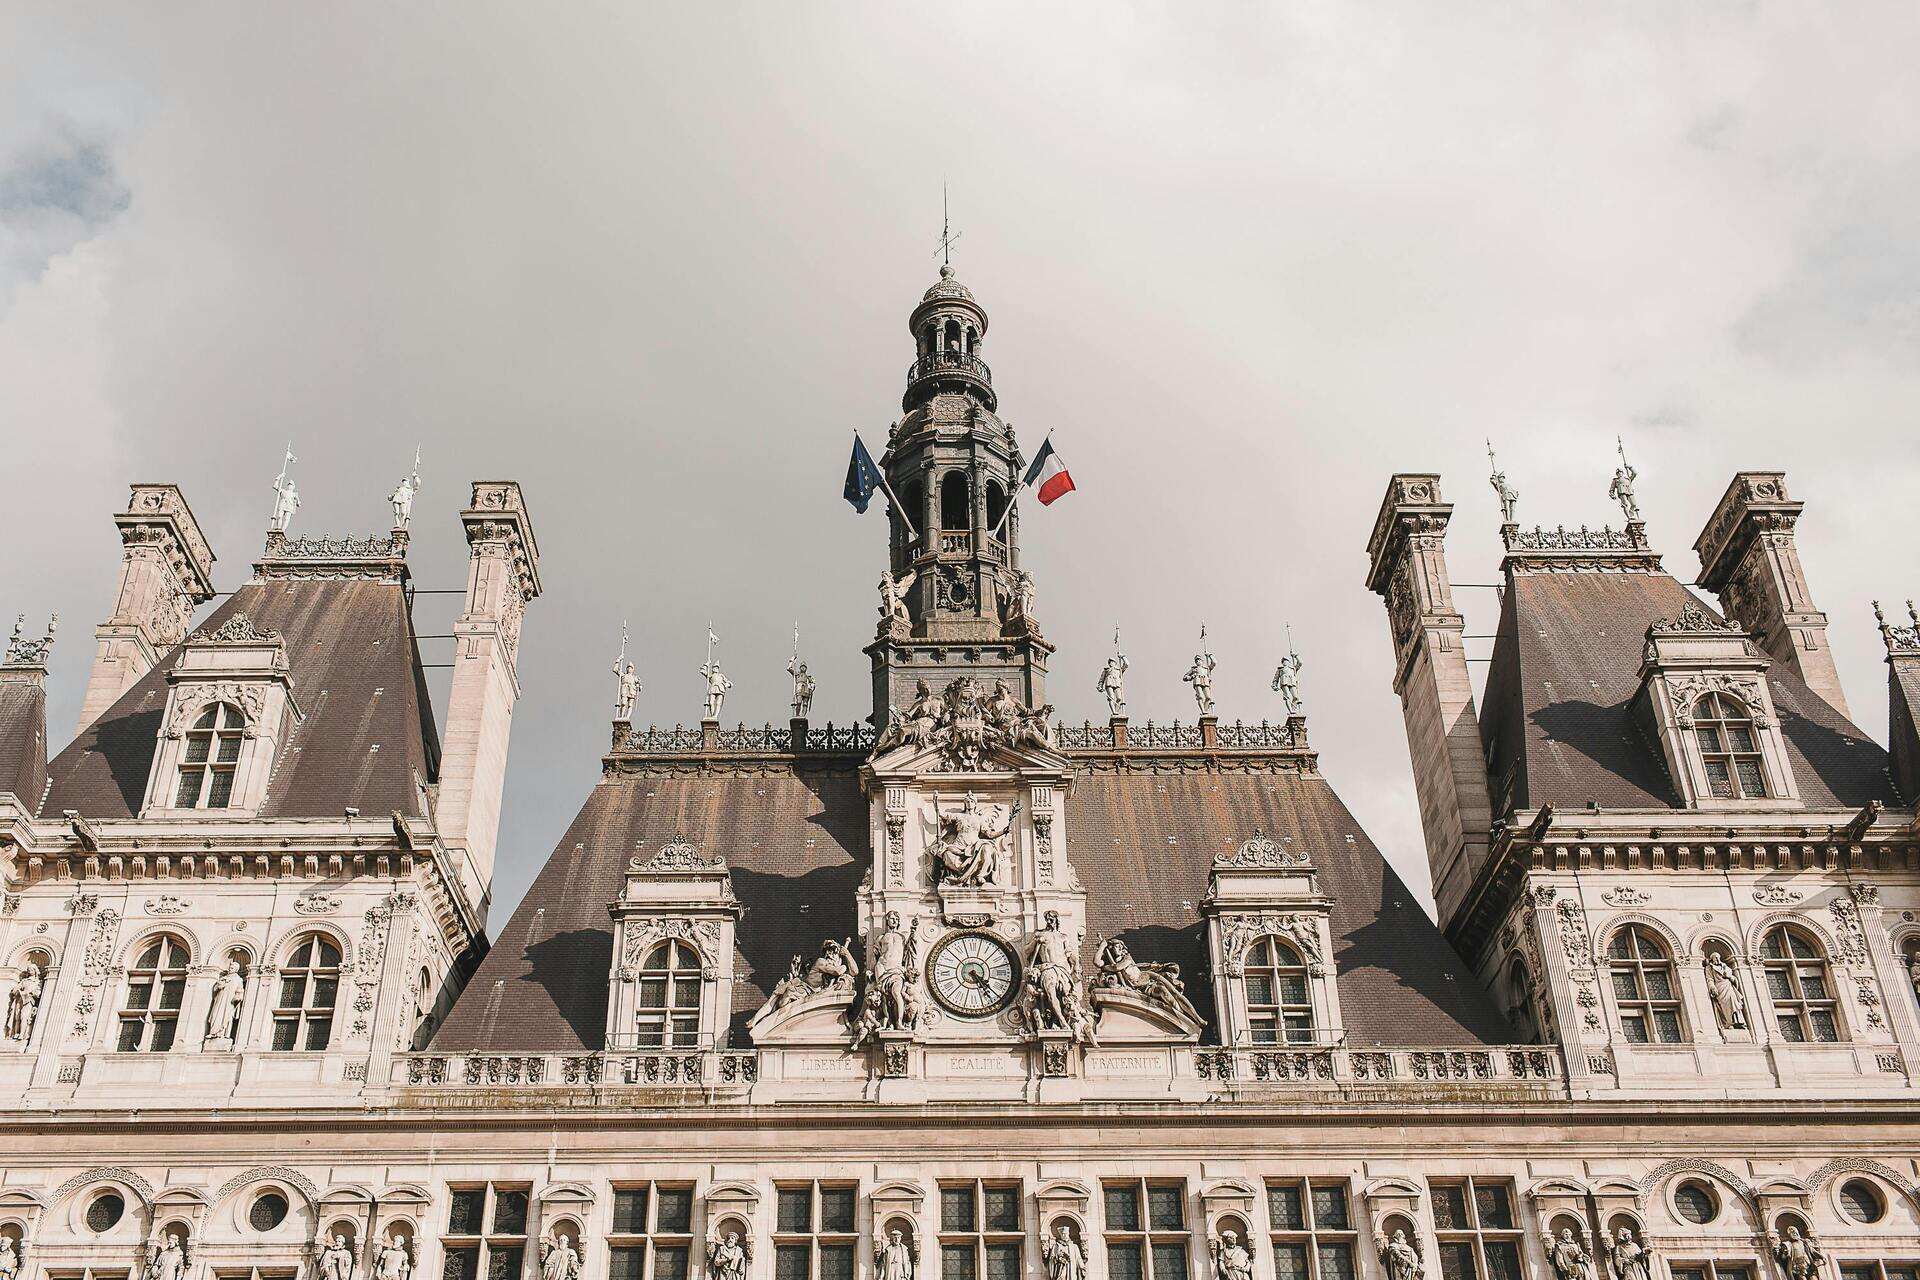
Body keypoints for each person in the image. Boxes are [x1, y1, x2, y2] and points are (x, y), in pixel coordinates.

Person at [205, 958, 246, 1047]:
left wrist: (237, 997)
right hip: (219, 1000)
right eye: (230, 967)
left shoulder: (238, 979)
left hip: (229, 1002)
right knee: (215, 1015)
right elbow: (215, 989)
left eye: (232, 968)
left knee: (226, 1017)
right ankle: (213, 1033)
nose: (230, 968)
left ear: (236, 970)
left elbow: (240, 991)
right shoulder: (223, 978)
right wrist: (220, 986)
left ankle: (223, 1034)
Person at [1704, 950, 1747, 1030]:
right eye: (1715, 958)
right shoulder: (1709, 968)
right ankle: (1728, 1023)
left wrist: (1730, 977)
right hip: (1719, 988)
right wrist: (1712, 987)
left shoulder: (1726, 967)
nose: (1717, 959)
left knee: (1734, 1001)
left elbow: (1734, 978)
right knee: (1724, 1005)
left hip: (1728, 986)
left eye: (1718, 957)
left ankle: (1738, 1021)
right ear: (1712, 959)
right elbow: (1709, 979)